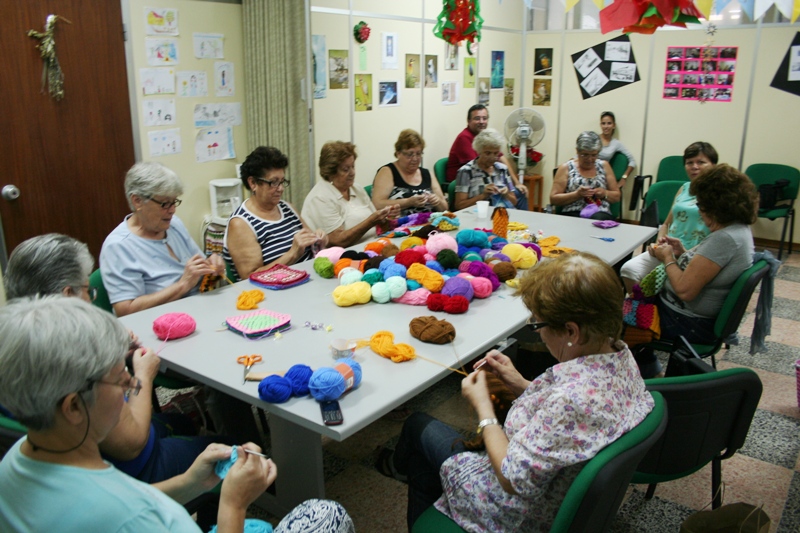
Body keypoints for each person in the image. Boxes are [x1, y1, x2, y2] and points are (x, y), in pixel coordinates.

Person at [0, 297, 355, 533]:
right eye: (120, 379)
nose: (131, 383)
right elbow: (133, 510)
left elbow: (135, 498)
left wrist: (192, 482)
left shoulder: (17, 461)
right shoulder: (134, 518)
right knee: (328, 515)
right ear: (74, 407)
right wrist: (232, 505)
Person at [375, 252, 654, 531]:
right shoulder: (619, 355)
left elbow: (512, 479)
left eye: (538, 324)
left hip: (512, 511)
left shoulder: (570, 401)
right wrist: (518, 382)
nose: (538, 332)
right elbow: (575, 420)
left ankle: (414, 484)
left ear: (572, 332)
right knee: (424, 448)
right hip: (556, 496)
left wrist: (484, 409)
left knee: (417, 427)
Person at [3, 233, 221, 484]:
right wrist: (143, 376)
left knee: (181, 423)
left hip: (87, 450)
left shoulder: (15, 343)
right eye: (88, 291)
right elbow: (132, 444)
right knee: (227, 448)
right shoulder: (74, 358)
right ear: (68, 295)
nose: (90, 299)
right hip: (131, 468)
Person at [636, 164, 757, 377]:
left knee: (616, 314)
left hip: (687, 323)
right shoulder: (739, 230)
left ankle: (637, 376)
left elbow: (685, 291)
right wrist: (682, 253)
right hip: (695, 318)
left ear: (716, 206)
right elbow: (707, 269)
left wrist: (668, 257)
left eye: (700, 205)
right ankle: (647, 369)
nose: (699, 212)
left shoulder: (724, 239)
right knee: (631, 304)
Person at [100, 161, 225, 318]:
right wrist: (182, 285)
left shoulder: (174, 224)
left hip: (199, 310)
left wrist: (213, 266)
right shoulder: (118, 246)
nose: (172, 210)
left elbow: (200, 270)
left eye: (174, 202)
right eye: (165, 204)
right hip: (161, 323)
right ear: (137, 201)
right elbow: (126, 310)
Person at [620, 142, 719, 293]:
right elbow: (666, 224)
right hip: (668, 250)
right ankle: (643, 304)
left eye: (701, 162)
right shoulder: (684, 188)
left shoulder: (719, 193)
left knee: (670, 284)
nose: (694, 167)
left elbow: (717, 236)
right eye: (689, 163)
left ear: (713, 165)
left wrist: (683, 253)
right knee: (629, 270)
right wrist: (659, 243)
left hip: (693, 255)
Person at [223, 146, 327, 281]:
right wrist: (292, 254)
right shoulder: (241, 224)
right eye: (273, 182)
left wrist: (319, 240)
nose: (281, 188)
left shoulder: (287, 208)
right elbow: (250, 277)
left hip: (307, 279)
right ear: (253, 183)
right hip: (274, 290)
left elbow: (309, 242)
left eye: (282, 181)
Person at [302, 141, 400, 247]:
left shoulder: (357, 189)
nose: (352, 173)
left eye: (353, 166)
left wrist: (387, 217)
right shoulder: (320, 197)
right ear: (331, 172)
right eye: (346, 169)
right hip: (342, 255)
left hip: (372, 247)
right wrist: (370, 222)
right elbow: (337, 241)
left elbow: (379, 227)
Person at [445, 104, 528, 200]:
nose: (481, 122)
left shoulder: (486, 136)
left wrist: (517, 183)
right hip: (467, 182)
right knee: (514, 195)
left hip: (484, 178)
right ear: (469, 121)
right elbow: (480, 165)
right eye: (477, 118)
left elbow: (501, 157)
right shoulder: (464, 138)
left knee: (520, 192)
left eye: (484, 118)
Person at [372, 129, 448, 215]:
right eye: (410, 154)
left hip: (430, 221)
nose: (415, 159)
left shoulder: (427, 174)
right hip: (401, 222)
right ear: (398, 153)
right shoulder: (387, 172)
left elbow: (445, 208)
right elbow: (377, 204)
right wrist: (408, 202)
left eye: (418, 154)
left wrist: (437, 202)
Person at [550, 131, 620, 220]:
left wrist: (604, 193)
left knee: (597, 218)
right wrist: (577, 195)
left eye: (594, 155)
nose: (590, 159)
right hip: (573, 213)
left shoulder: (604, 166)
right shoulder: (566, 168)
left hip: (600, 213)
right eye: (585, 155)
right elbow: (553, 199)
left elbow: (617, 196)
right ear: (577, 151)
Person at [454, 129, 528, 211]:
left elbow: (514, 202)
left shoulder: (502, 169)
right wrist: (483, 195)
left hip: (503, 215)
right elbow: (459, 206)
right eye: (487, 153)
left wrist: (506, 194)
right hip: (479, 215)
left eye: (496, 153)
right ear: (479, 151)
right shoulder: (466, 172)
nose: (492, 157)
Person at [598, 111, 636, 187]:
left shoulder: (616, 143)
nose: (606, 126)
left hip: (603, 178)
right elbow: (579, 156)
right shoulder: (594, 138)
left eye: (609, 123)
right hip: (587, 173)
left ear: (614, 125)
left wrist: (624, 178)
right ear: (600, 125)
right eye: (603, 123)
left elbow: (632, 161)